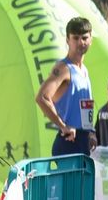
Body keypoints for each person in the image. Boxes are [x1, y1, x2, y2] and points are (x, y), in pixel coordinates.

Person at [36, 17, 97, 156]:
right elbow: (42, 97)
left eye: (84, 37)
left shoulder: (84, 70)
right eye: (75, 38)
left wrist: (91, 132)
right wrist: (63, 126)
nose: (80, 42)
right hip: (69, 142)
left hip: (84, 140)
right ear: (67, 40)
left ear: (90, 40)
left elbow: (86, 105)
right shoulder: (63, 68)